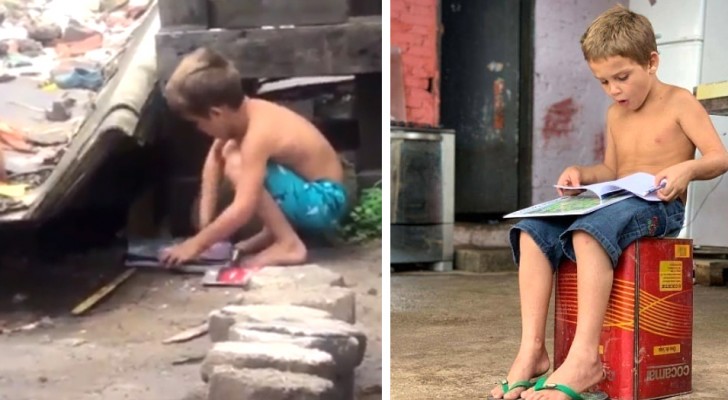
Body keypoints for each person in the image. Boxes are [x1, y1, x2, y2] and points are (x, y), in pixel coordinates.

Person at [490, 5, 728, 400]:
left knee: (587, 234)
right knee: (531, 233)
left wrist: (686, 169)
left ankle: (585, 359)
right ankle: (532, 350)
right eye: (603, 81)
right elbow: (612, 169)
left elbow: (719, 157)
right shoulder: (616, 115)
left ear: (652, 62)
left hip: (659, 207)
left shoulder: (680, 102)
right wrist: (582, 174)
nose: (614, 90)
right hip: (617, 203)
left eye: (622, 77)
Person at [158, 47, 347, 268]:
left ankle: (289, 244)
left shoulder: (258, 134)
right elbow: (214, 160)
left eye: (198, 123)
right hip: (307, 191)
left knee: (238, 163)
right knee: (229, 151)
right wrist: (204, 228)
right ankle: (274, 235)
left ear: (216, 113)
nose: (200, 130)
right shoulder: (244, 115)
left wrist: (195, 245)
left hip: (326, 200)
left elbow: (243, 207)